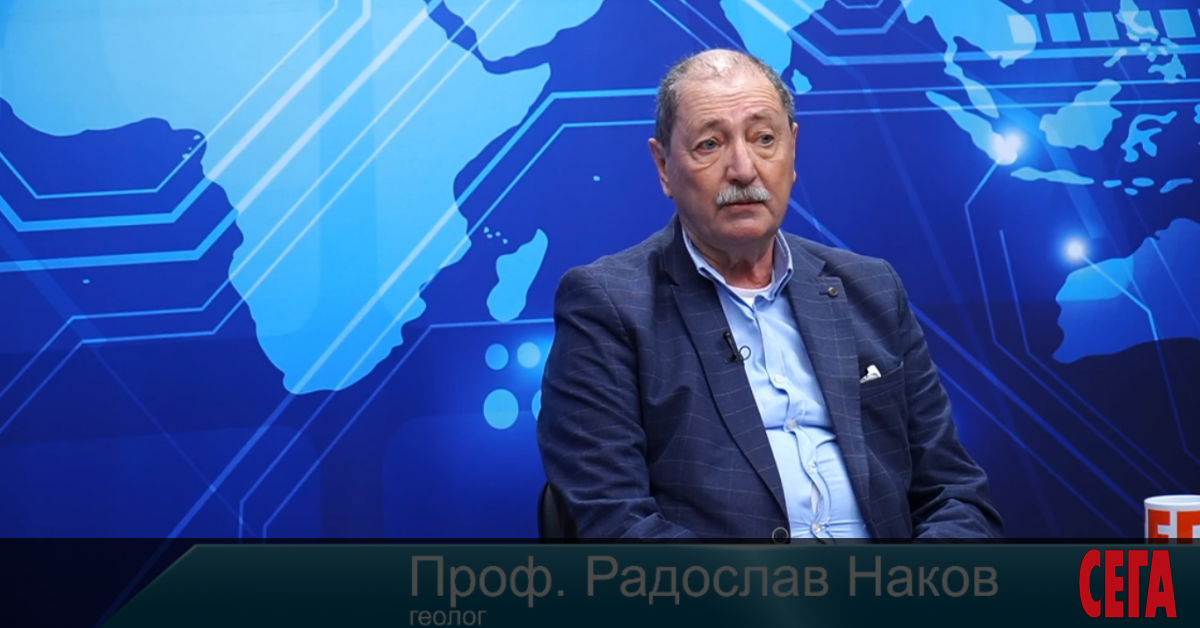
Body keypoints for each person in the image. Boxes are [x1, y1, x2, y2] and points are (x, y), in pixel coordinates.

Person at [536, 49, 1002, 541]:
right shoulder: (608, 305)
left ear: (792, 150)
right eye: (710, 144)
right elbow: (614, 522)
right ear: (664, 166)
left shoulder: (872, 288)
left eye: (763, 139)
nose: (743, 169)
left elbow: (955, 493)